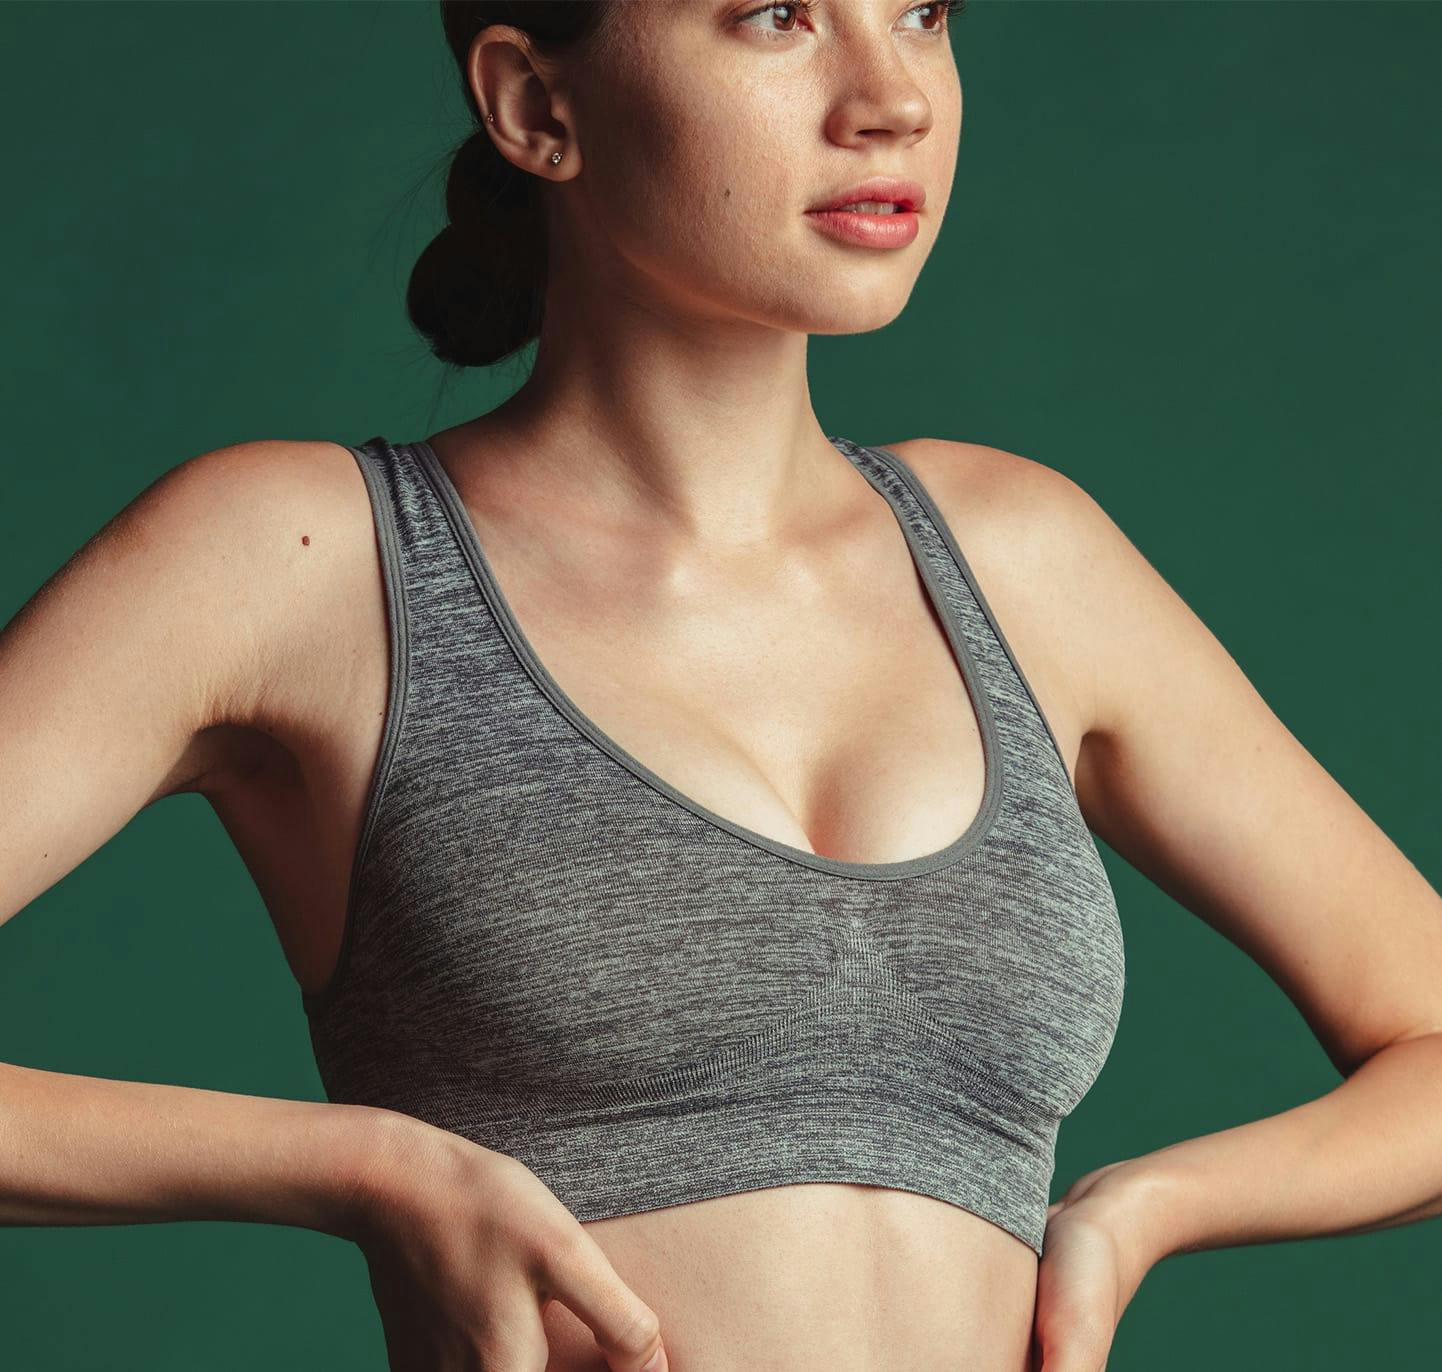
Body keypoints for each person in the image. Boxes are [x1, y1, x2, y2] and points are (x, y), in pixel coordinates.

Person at [3, 3, 1441, 1371]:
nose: (891, 100)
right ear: (535, 102)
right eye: (774, 16)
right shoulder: (305, 561)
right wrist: (371, 1170)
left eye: (924, 14)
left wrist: (1138, 1214)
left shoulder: (1020, 561)